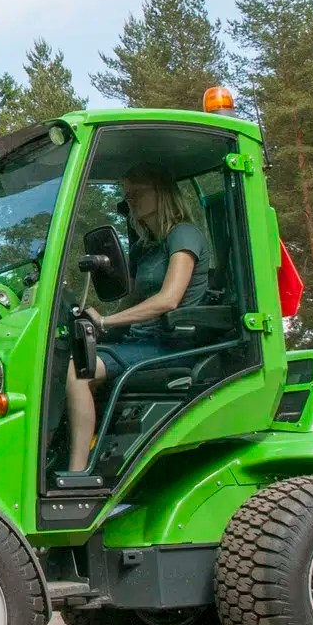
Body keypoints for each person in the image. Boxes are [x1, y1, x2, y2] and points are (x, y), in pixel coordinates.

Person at [63, 164, 210, 474]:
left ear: (162, 192)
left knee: (79, 371)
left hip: (168, 346)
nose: (130, 200)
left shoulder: (183, 234)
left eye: (137, 193)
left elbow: (168, 299)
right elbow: (133, 301)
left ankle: (78, 472)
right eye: (126, 195)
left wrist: (106, 323)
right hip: (138, 343)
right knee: (60, 358)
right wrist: (94, 318)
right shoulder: (147, 247)